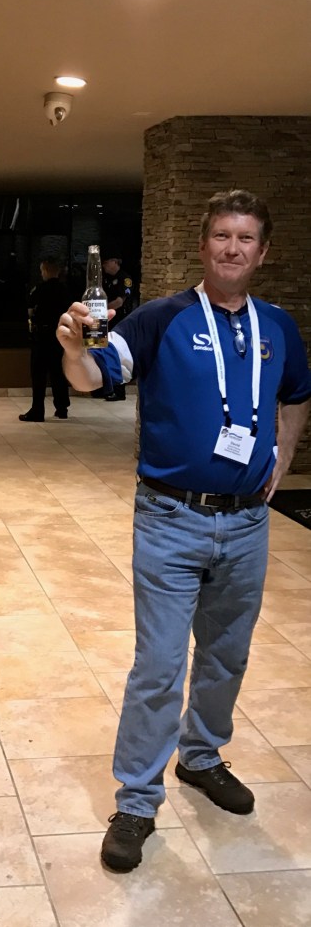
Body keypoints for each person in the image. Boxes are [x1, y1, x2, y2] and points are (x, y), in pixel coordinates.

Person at [57, 189, 311, 873]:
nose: (233, 247)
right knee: (160, 666)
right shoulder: (162, 318)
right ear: (203, 247)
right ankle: (137, 801)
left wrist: (283, 459)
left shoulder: (277, 326)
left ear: (263, 252)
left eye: (246, 238)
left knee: (227, 655)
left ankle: (201, 757)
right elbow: (92, 376)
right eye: (222, 235)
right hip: (171, 519)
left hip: (248, 523)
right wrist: (72, 347)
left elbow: (296, 393)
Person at [19, 260, 72, 422]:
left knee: (39, 374)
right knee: (58, 372)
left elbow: (30, 311)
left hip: (42, 336)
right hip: (60, 336)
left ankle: (37, 410)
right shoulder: (65, 290)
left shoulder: (39, 289)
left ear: (46, 271)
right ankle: (62, 407)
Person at [101, 255, 134, 401]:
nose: (104, 266)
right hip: (108, 321)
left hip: (120, 322)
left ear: (115, 262)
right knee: (105, 353)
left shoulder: (124, 278)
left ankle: (119, 391)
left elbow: (120, 302)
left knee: (118, 355)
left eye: (106, 262)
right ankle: (107, 388)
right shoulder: (107, 279)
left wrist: (101, 310)